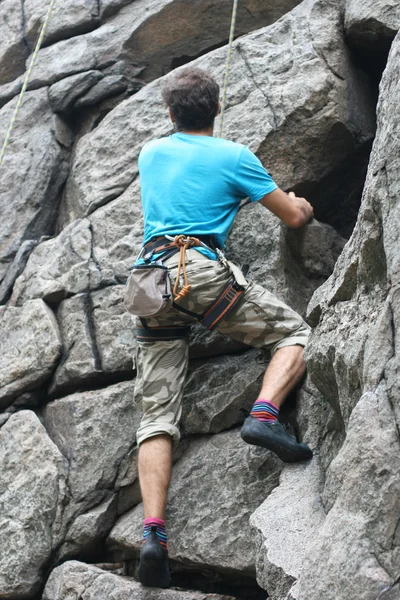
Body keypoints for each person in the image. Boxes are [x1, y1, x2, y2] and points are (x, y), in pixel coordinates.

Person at [133, 67, 314, 588]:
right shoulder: (234, 156)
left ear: (170, 115)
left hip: (147, 280)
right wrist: (301, 202)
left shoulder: (150, 153)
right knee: (293, 334)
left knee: (156, 417)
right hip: (198, 271)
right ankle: (263, 415)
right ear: (216, 110)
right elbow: (293, 217)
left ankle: (153, 534)